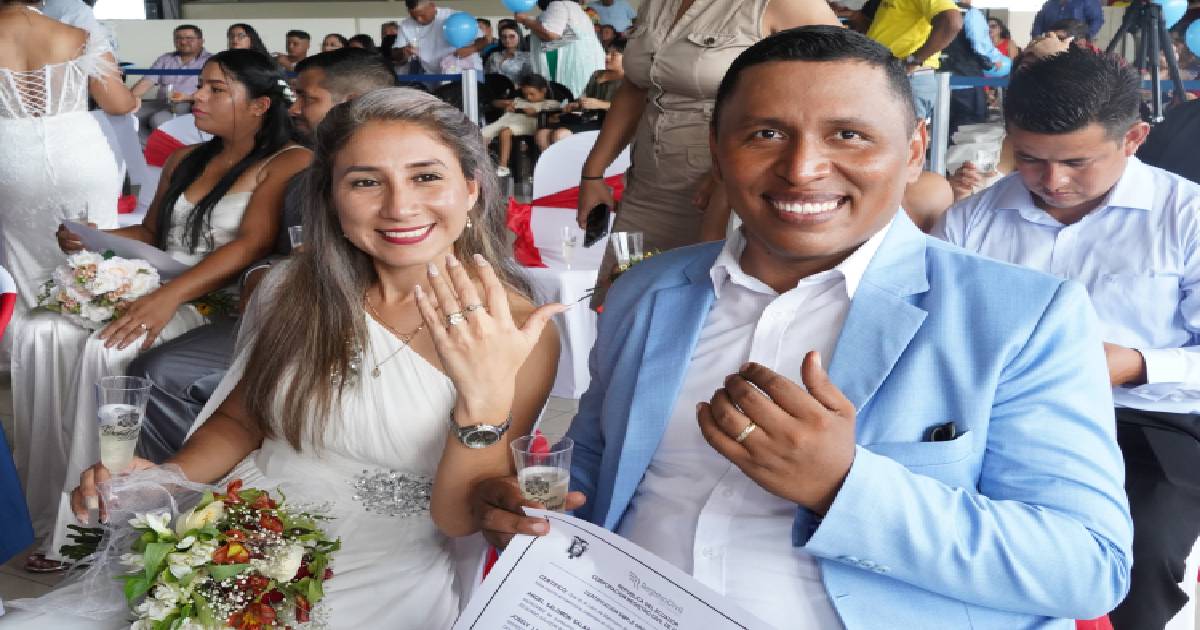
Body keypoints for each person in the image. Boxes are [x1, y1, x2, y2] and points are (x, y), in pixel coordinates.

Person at [473, 26, 1133, 628]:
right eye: (765, 134)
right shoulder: (646, 292)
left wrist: (842, 486)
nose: (802, 168)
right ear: (717, 151)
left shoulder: (1020, 316)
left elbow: (1087, 566)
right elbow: (597, 459)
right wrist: (538, 505)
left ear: (913, 152)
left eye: (848, 135)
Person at [12, 87, 569, 629]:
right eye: (365, 181)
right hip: (237, 529)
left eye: (426, 177)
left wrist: (483, 400)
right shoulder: (290, 290)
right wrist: (166, 478)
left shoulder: (518, 330)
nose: (400, 206)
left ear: (471, 189)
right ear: (331, 198)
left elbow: (459, 516)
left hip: (381, 570)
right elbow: (243, 419)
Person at [13, 49, 309, 573]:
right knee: (44, 332)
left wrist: (168, 297)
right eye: (201, 85)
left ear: (260, 104)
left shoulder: (287, 161)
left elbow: (252, 244)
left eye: (216, 89)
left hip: (217, 302)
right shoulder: (185, 158)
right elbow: (153, 234)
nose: (197, 96)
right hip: (157, 285)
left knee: (109, 351)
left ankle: (96, 527)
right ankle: (50, 501)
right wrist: (95, 238)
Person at [935, 47, 1200, 630]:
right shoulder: (970, 221)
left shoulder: (1187, 217)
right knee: (944, 532)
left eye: (1077, 162)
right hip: (1001, 414)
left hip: (1146, 419)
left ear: (1132, 139)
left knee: (1142, 551)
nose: (1052, 182)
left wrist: (1136, 364)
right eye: (1030, 160)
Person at [129, 48, 398, 464]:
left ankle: (185, 485)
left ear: (351, 104)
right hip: (287, 312)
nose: (295, 109)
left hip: (358, 321)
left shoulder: (385, 175)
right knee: (149, 365)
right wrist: (261, 274)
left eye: (307, 98)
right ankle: (188, 481)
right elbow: (274, 248)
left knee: (159, 372)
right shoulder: (311, 173)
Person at [576, 0, 838, 306]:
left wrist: (728, 168)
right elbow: (635, 88)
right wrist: (592, 173)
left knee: (705, 310)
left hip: (727, 195)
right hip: (647, 185)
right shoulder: (657, 4)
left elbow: (837, 88)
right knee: (624, 303)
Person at [0, 0, 136, 364]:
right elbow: (117, 103)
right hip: (79, 150)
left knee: (22, 258)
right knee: (96, 249)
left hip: (10, 156)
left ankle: (32, 362)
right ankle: (97, 354)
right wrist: (135, 98)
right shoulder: (79, 35)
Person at [866, 0, 963, 122]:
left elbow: (951, 22)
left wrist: (914, 60)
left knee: (899, 131)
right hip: (889, 74)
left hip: (905, 76)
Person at [537, 39, 624, 149]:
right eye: (607, 53)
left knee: (560, 135)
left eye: (614, 55)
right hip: (589, 119)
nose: (607, 57)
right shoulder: (597, 74)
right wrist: (576, 105)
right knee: (542, 135)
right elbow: (586, 99)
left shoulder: (630, 81)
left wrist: (600, 104)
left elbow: (629, 109)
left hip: (611, 125)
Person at [130, 25, 213, 137]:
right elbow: (146, 82)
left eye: (189, 38)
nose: (183, 42)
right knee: (128, 115)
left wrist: (188, 97)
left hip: (190, 105)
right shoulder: (165, 58)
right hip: (162, 103)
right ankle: (146, 147)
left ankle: (174, 147)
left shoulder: (212, 61)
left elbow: (214, 92)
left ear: (201, 41)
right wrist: (127, 99)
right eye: (178, 38)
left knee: (158, 120)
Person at [514, 0, 606, 99]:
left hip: (574, 66)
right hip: (585, 65)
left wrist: (525, 20)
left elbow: (550, 34)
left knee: (572, 100)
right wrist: (533, 24)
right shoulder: (573, 8)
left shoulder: (558, 4)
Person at [941, 0, 1006, 134]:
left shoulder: (938, 9)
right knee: (968, 130)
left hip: (940, 82)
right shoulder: (970, 13)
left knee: (942, 129)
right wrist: (994, 60)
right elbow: (979, 44)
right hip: (966, 81)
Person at [484, 73, 562, 177]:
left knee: (505, 131)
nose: (528, 97)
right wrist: (506, 104)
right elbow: (494, 103)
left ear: (543, 90)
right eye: (525, 94)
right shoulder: (519, 101)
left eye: (532, 94)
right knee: (482, 135)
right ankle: (482, 164)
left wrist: (536, 113)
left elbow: (553, 117)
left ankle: (503, 166)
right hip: (507, 122)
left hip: (528, 124)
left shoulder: (551, 104)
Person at [392, 0, 484, 76]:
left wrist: (473, 48)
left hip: (467, 70)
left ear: (432, 6)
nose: (419, 19)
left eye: (422, 15)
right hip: (433, 74)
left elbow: (485, 40)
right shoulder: (405, 25)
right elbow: (396, 53)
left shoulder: (455, 16)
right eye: (414, 17)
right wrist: (403, 52)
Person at [1032, 0, 1103, 41]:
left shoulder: (1088, 1)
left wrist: (1086, 37)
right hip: (1050, 47)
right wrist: (1037, 38)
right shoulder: (1049, 4)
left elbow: (1097, 21)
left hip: (1076, 47)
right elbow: (1038, 25)